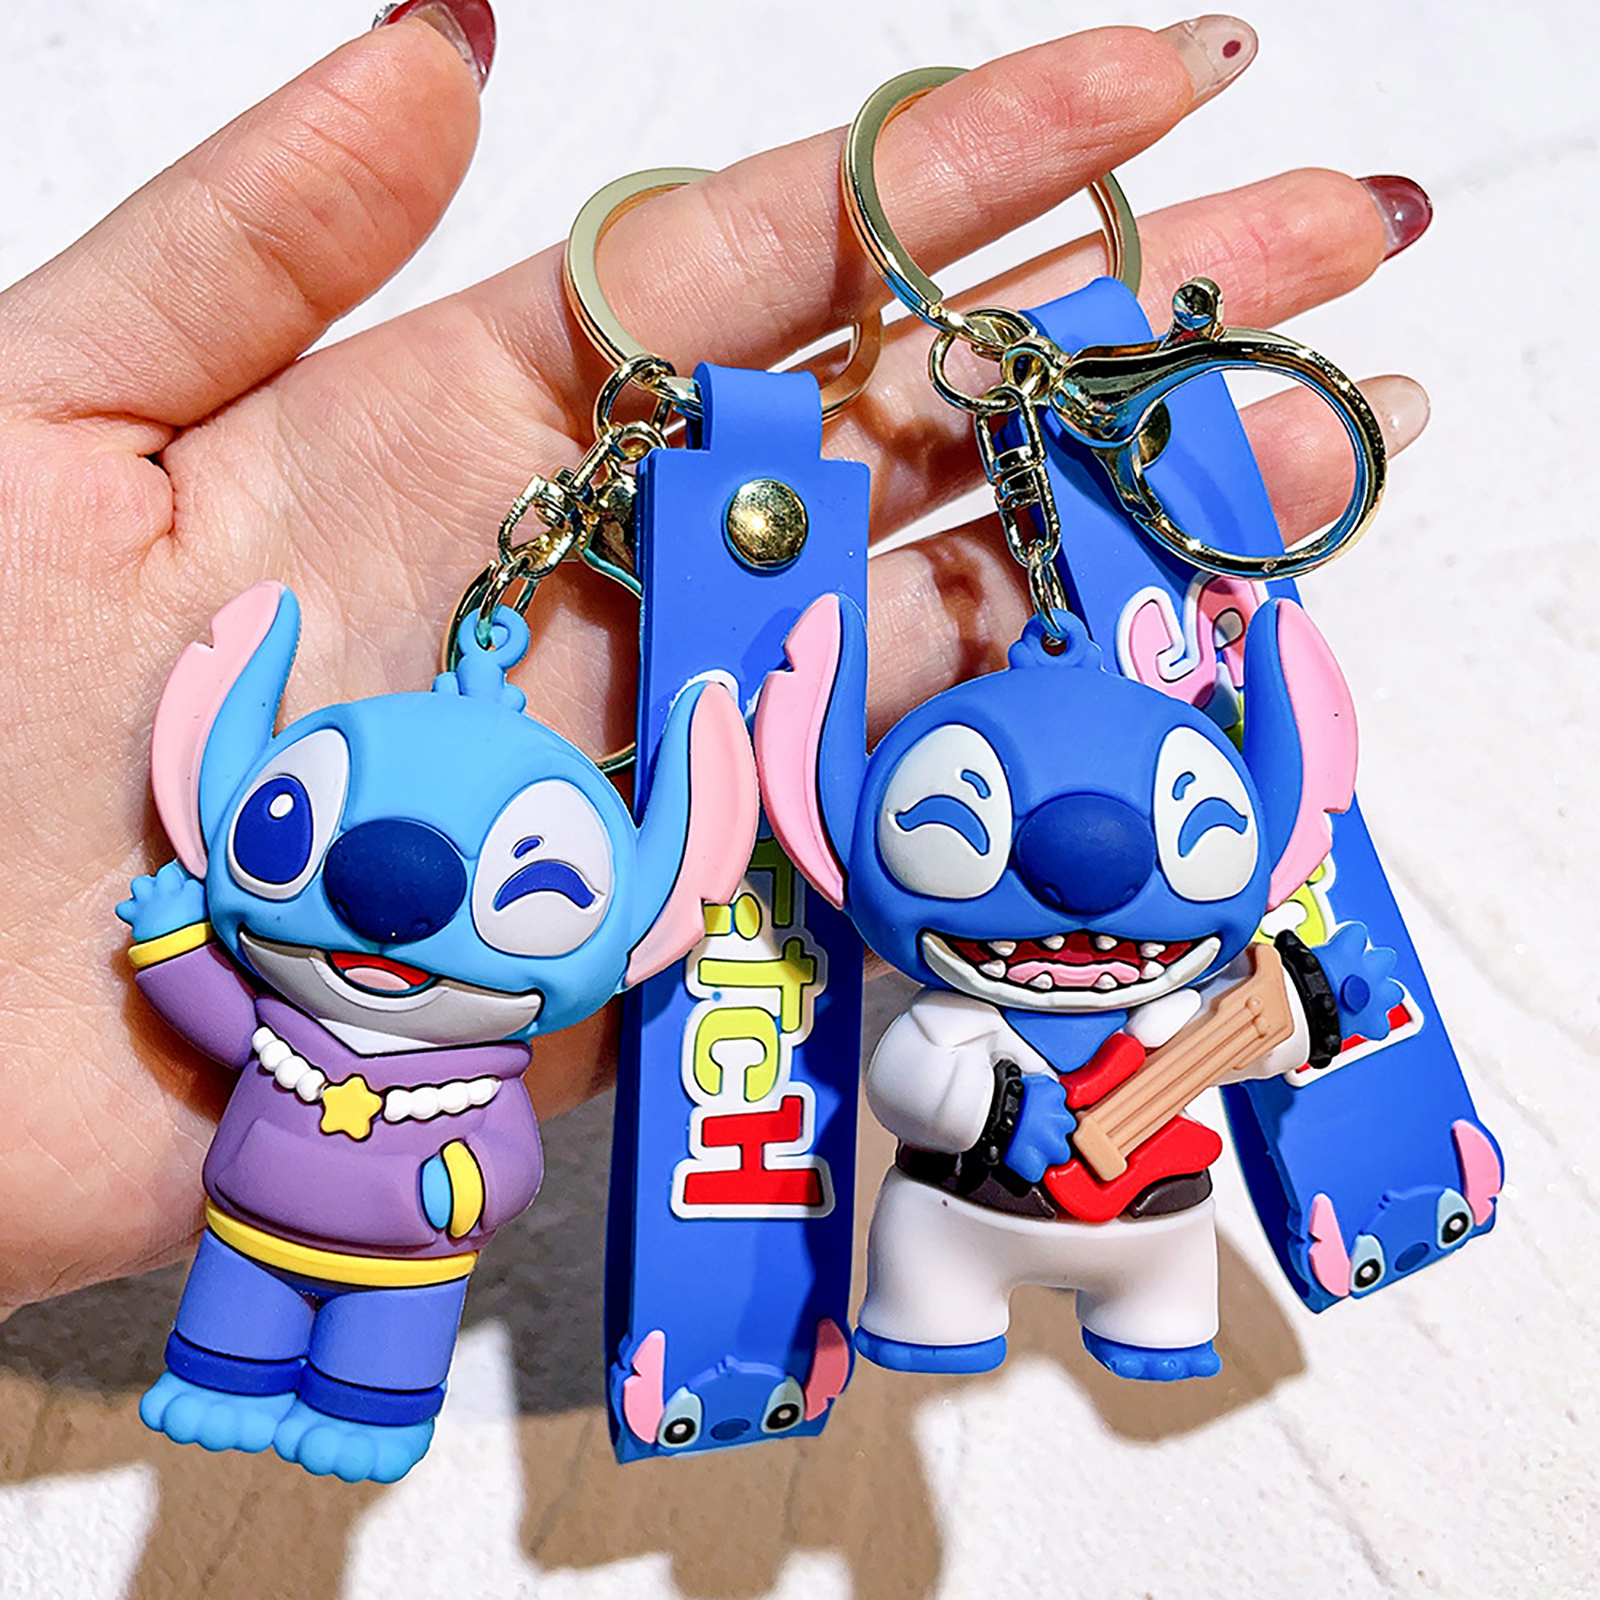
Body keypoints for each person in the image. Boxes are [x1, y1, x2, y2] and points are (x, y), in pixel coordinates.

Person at [0, 0, 1430, 1321]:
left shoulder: (1165, 954)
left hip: (1137, 1217)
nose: (1078, 870)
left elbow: (1273, 1000)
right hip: (905, 1205)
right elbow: (900, 1080)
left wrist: (1301, 1005)